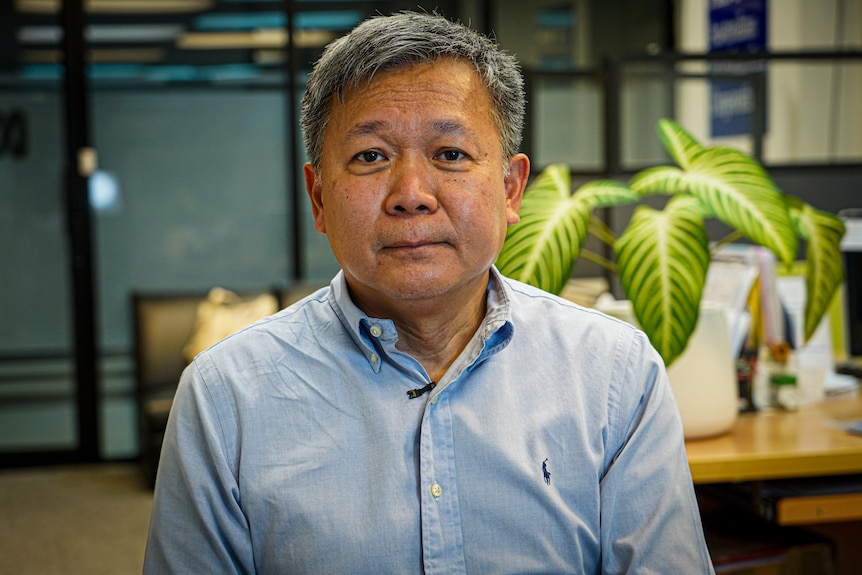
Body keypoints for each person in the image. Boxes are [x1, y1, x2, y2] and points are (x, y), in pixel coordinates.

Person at [144, 11, 715, 574]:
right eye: (371, 157)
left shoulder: (615, 374)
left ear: (512, 189)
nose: (412, 195)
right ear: (318, 198)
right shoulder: (226, 399)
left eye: (450, 154)